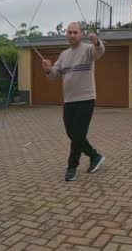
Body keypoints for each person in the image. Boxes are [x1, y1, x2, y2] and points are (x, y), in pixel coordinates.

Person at [42, 22, 106, 181]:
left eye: (75, 32)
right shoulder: (63, 55)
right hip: (69, 101)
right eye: (69, 32)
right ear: (66, 34)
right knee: (72, 133)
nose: (72, 35)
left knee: (77, 134)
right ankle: (95, 156)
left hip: (86, 99)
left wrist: (97, 41)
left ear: (81, 34)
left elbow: (99, 51)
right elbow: (54, 75)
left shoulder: (88, 49)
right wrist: (48, 69)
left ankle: (72, 167)